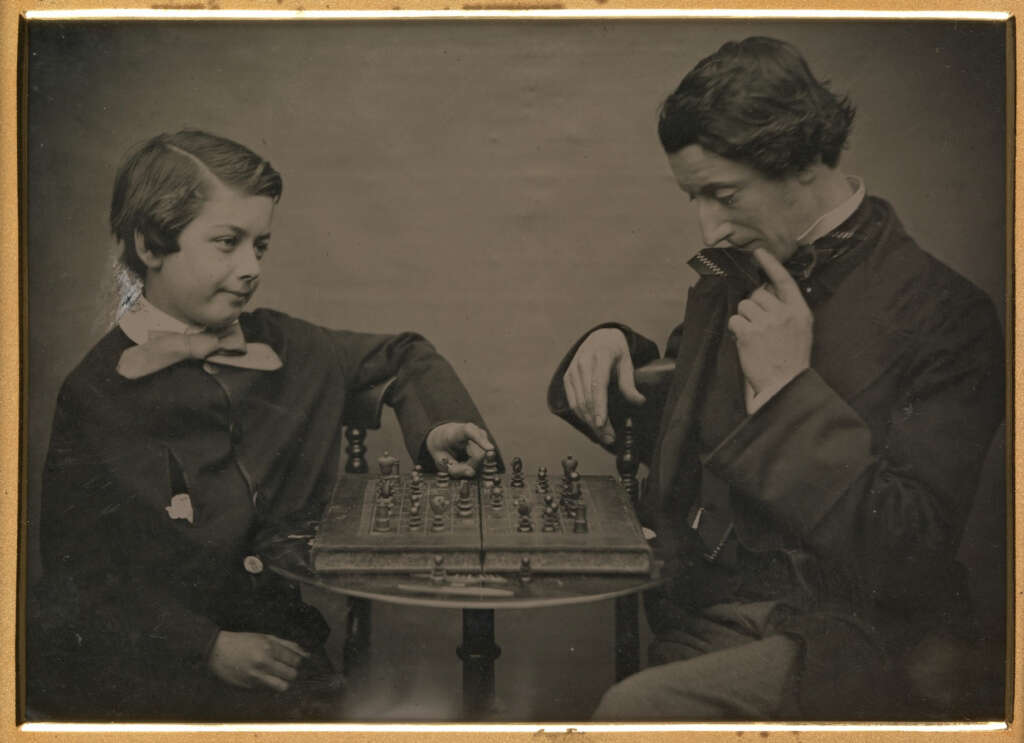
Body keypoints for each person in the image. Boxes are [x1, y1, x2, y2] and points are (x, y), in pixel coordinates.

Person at [548, 37, 1004, 720]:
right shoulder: (739, 275)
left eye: (723, 194)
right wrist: (614, 345)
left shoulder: (949, 315)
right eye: (693, 197)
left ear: (800, 162)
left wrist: (789, 390)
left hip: (862, 639)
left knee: (632, 711)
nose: (708, 226)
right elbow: (688, 404)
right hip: (714, 613)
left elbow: (912, 553)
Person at [27, 130, 496, 722]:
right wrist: (206, 647)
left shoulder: (287, 344)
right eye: (227, 243)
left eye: (261, 246)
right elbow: (77, 582)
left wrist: (437, 429)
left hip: (288, 657)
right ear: (149, 244)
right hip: (155, 678)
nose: (250, 268)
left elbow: (405, 355)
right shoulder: (97, 394)